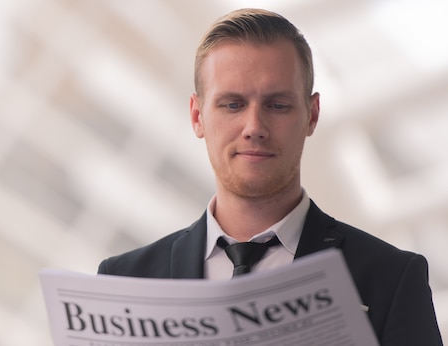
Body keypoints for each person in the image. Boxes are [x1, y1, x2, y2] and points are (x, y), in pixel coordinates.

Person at [97, 8, 442, 345]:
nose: (254, 128)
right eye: (232, 104)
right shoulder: (123, 282)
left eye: (277, 105)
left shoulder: (391, 279)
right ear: (197, 116)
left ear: (312, 114)